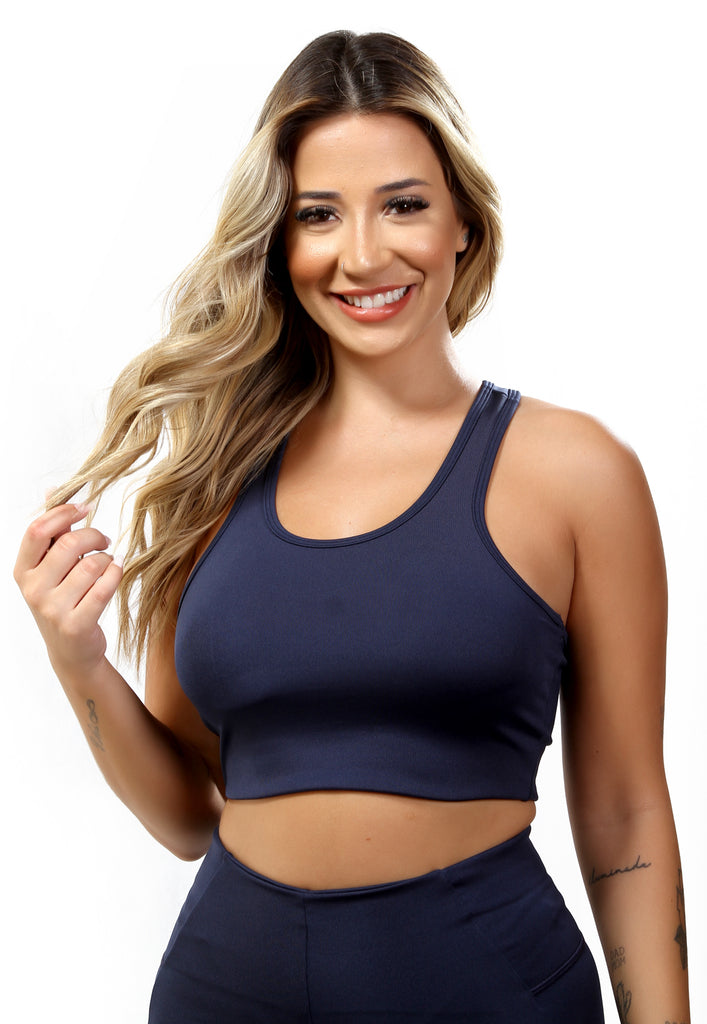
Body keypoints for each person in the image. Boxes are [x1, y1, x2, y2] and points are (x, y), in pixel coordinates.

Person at [14, 29, 690, 1024]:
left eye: (403, 204)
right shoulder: (214, 478)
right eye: (317, 214)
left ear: (462, 223)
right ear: (278, 244)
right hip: (224, 990)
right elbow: (188, 815)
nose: (362, 253)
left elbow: (625, 809)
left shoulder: (576, 474)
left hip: (487, 992)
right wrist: (77, 661)